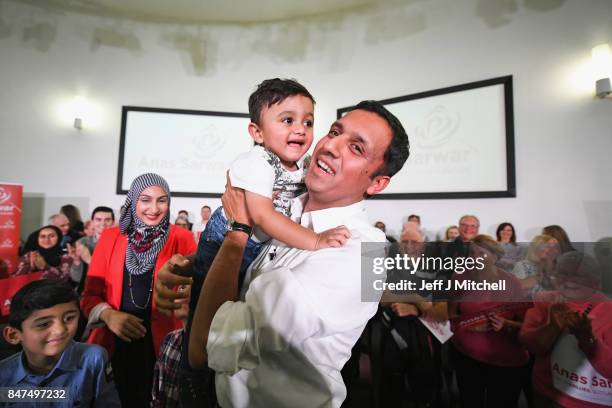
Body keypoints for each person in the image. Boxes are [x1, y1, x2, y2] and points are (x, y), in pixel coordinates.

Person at [155, 99, 410, 407]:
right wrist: (195, 271)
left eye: (356, 148)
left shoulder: (366, 256)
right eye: (334, 132)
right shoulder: (286, 209)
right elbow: (254, 266)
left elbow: (206, 348)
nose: (330, 146)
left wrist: (238, 231)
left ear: (378, 183)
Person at [178, 78, 349, 405]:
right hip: (234, 238)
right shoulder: (260, 165)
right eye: (288, 120)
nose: (304, 131)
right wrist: (314, 241)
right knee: (199, 338)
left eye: (309, 122)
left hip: (289, 389)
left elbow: (371, 290)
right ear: (257, 132)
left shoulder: (367, 240)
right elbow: (263, 216)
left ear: (380, 179)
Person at [80, 173, 197, 407]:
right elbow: (89, 296)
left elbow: (194, 293)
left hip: (165, 347)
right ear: (133, 201)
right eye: (145, 200)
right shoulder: (111, 237)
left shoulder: (182, 238)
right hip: (116, 344)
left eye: (162, 200)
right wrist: (108, 314)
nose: (154, 208)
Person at [0, 279, 120, 407]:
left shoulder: (93, 360)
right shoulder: (3, 376)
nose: (60, 330)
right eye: (44, 324)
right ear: (14, 335)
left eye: (69, 318)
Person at [519, 251, 612, 408]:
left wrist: (587, 338)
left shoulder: (608, 310)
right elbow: (531, 346)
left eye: (580, 274)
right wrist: (552, 327)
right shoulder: (544, 299)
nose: (570, 279)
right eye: (564, 273)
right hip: (546, 392)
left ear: (597, 282)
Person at [449, 235, 531, 408]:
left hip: (504, 362)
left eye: (481, 253)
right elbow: (451, 317)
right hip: (466, 357)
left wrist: (506, 325)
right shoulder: (459, 279)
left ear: (495, 256)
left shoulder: (511, 283)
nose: (475, 258)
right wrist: (464, 325)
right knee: (470, 402)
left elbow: (527, 325)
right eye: (471, 253)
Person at [151, 284, 191, 408]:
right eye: (182, 287)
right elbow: (157, 396)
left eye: (194, 288)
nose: (184, 293)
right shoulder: (170, 340)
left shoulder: (213, 350)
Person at [70, 206, 115, 292]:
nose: (103, 223)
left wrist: (89, 259)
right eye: (98, 219)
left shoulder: (121, 243)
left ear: (113, 222)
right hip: (87, 290)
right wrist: (76, 261)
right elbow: (76, 278)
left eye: (107, 220)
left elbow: (113, 276)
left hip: (111, 291)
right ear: (92, 222)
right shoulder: (83, 242)